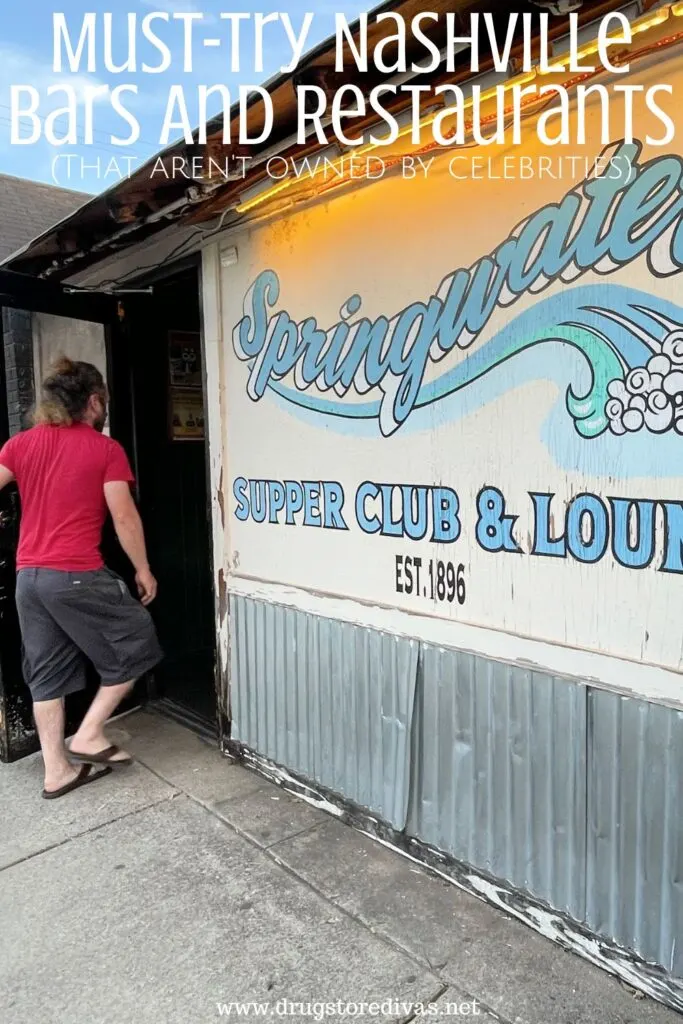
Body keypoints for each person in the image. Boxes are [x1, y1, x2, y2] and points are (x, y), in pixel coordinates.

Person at [0, 357, 162, 799]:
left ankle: (57, 771)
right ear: (92, 402)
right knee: (137, 641)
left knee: (46, 673)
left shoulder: (20, 445)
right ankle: (89, 734)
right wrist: (142, 569)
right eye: (103, 401)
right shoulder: (104, 449)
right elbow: (124, 517)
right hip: (74, 572)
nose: (104, 408)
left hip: (28, 579)